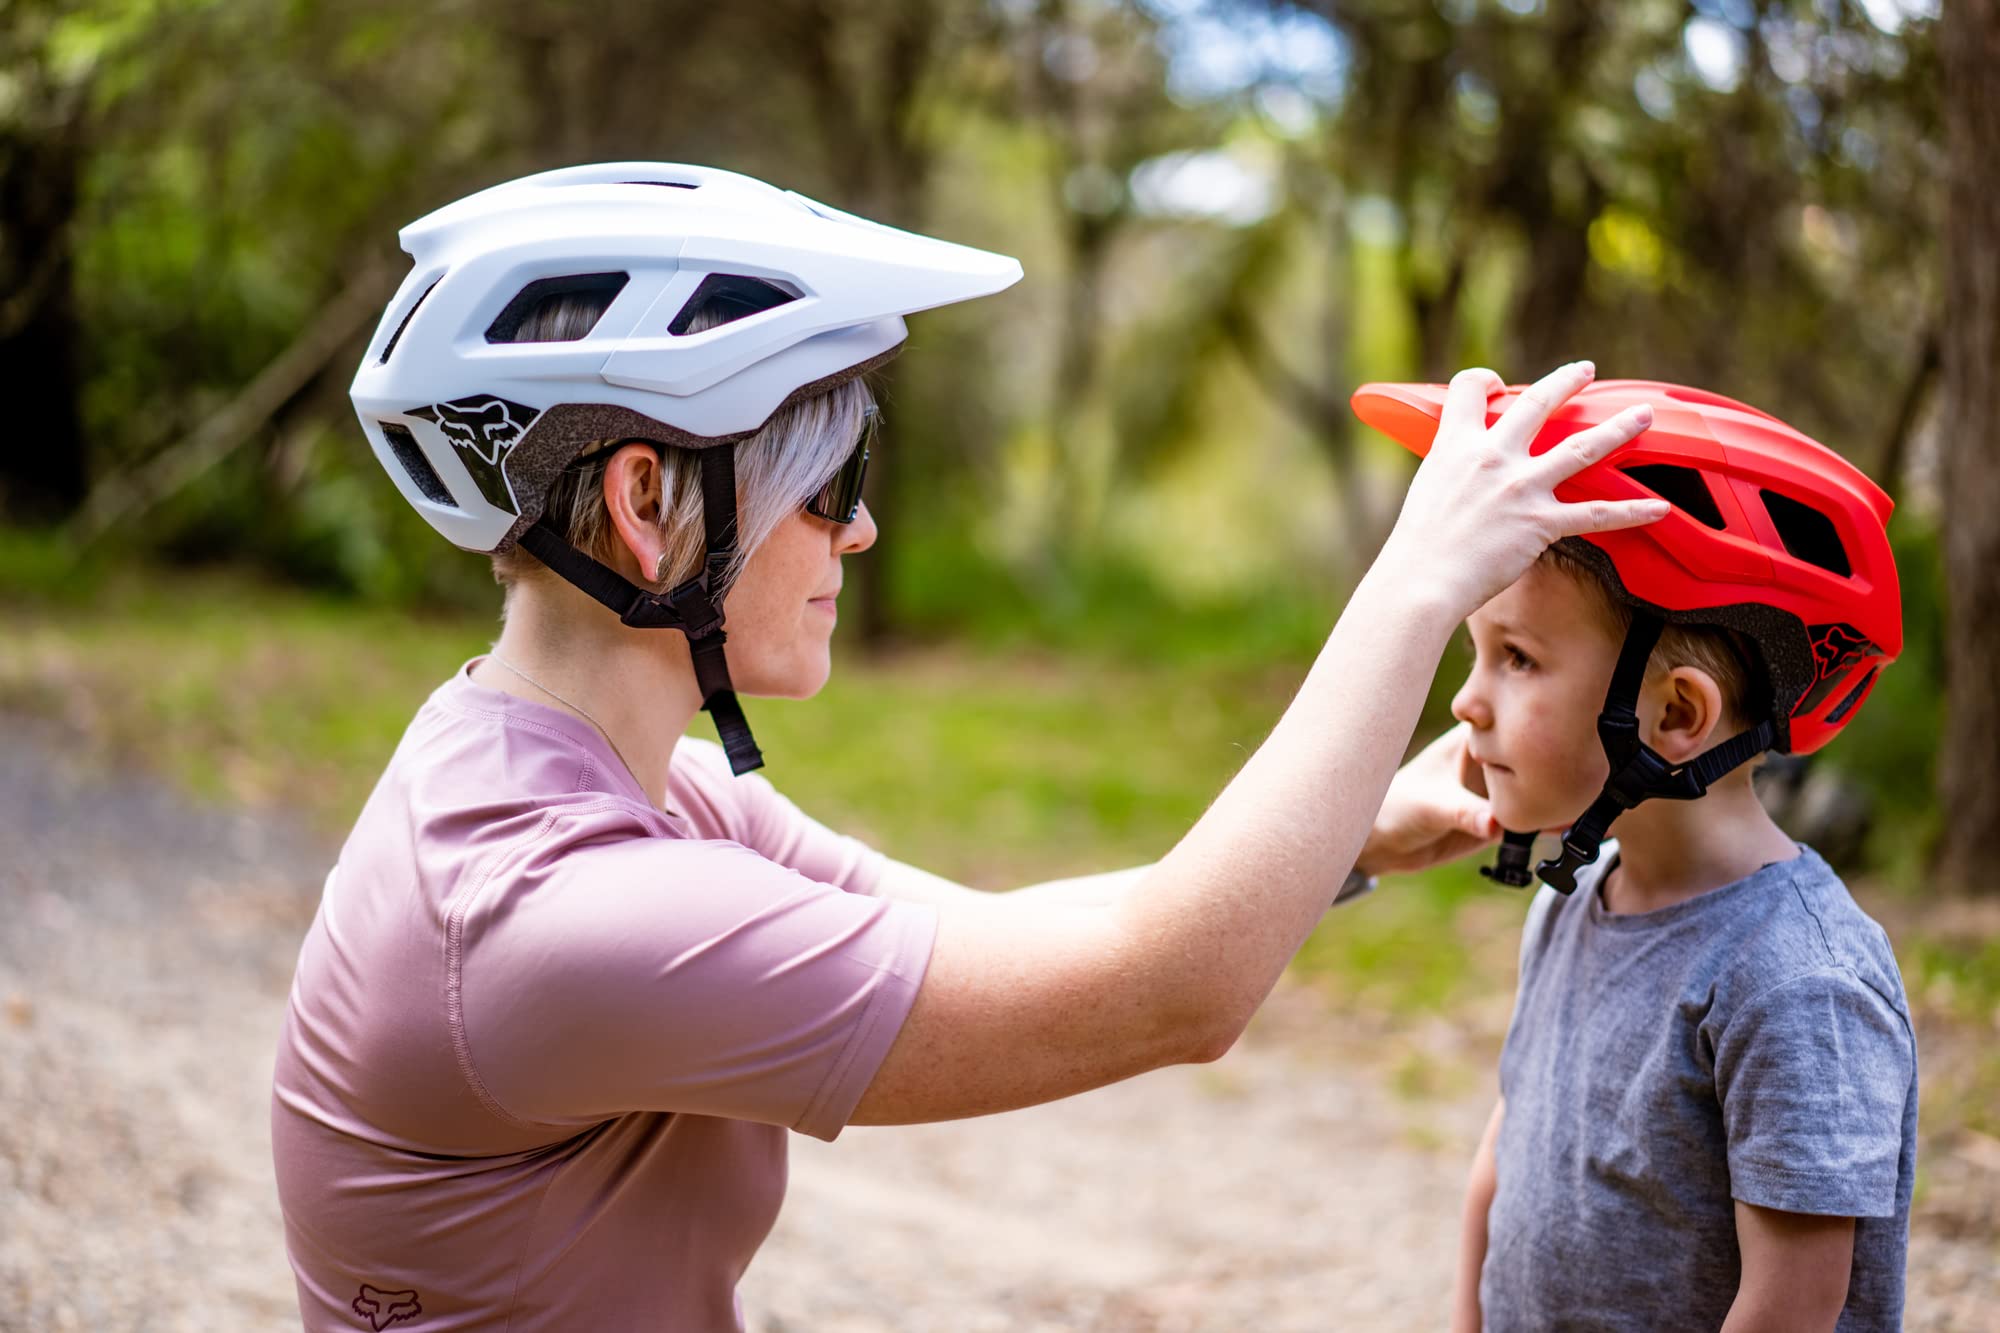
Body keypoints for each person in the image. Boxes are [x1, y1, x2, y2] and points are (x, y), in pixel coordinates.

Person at [271, 162, 1667, 1332]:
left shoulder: (617, 788)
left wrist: (1351, 834)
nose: (860, 530)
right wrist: (1422, 574)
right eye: (833, 481)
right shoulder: (564, 914)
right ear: (648, 501)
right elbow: (1172, 991)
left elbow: (1037, 936)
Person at [1353, 380, 1916, 1331]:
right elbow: (1509, 1157)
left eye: (1517, 658)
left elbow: (1792, 1303)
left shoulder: (1796, 980)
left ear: (1676, 717)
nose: (1466, 702)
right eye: (1473, 652)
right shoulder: (1574, 900)